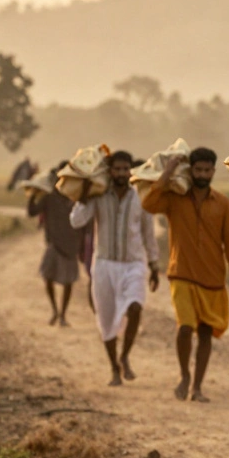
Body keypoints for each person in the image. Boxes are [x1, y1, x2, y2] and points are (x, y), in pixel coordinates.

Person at [141, 147, 229, 403]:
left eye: (206, 170)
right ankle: (184, 375)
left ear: (213, 171)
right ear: (191, 170)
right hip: (181, 274)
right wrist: (167, 173)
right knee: (185, 328)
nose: (202, 174)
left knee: (206, 333)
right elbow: (148, 203)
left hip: (212, 278)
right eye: (197, 169)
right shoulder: (174, 198)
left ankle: (197, 387)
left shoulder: (223, 203)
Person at [69, 150, 160, 386]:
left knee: (136, 308)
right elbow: (77, 221)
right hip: (104, 264)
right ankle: (114, 368)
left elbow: (148, 233)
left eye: (125, 169)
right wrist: (85, 194)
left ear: (131, 170)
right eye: (117, 169)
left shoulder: (140, 196)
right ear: (110, 171)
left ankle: (125, 355)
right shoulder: (98, 195)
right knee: (106, 320)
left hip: (134, 264)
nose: (121, 173)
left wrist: (154, 263)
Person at [27, 161, 85, 327]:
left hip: (71, 244)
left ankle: (62, 314)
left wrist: (82, 247)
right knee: (49, 278)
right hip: (54, 243)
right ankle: (56, 311)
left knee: (67, 282)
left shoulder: (77, 198)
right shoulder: (50, 197)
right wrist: (34, 191)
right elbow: (32, 212)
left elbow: (84, 224)